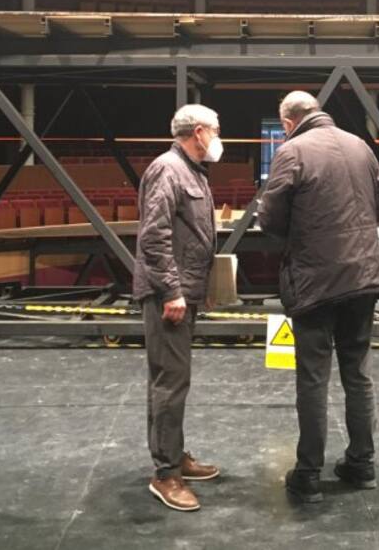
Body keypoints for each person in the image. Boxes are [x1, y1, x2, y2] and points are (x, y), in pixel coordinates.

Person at [258, 90, 379, 504]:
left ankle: (309, 474)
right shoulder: (361, 146)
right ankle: (362, 464)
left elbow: (270, 219)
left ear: (288, 123)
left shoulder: (292, 151)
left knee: (314, 378)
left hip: (315, 280)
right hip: (363, 278)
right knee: (358, 372)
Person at [133, 103, 223, 512]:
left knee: (172, 378)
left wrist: (201, 287)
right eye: (216, 130)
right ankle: (166, 473)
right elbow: (154, 237)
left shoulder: (191, 170)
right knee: (170, 381)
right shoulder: (168, 169)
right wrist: (171, 291)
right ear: (199, 131)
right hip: (168, 294)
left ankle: (174, 454)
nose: (219, 137)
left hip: (186, 288)